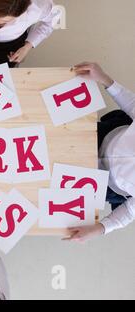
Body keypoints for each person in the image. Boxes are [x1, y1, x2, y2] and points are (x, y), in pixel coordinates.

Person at [63, 62, 135, 243]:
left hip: (103, 182)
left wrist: (99, 229)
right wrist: (104, 79)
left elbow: (129, 212)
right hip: (103, 136)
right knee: (54, 135)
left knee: (49, 176)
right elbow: (131, 104)